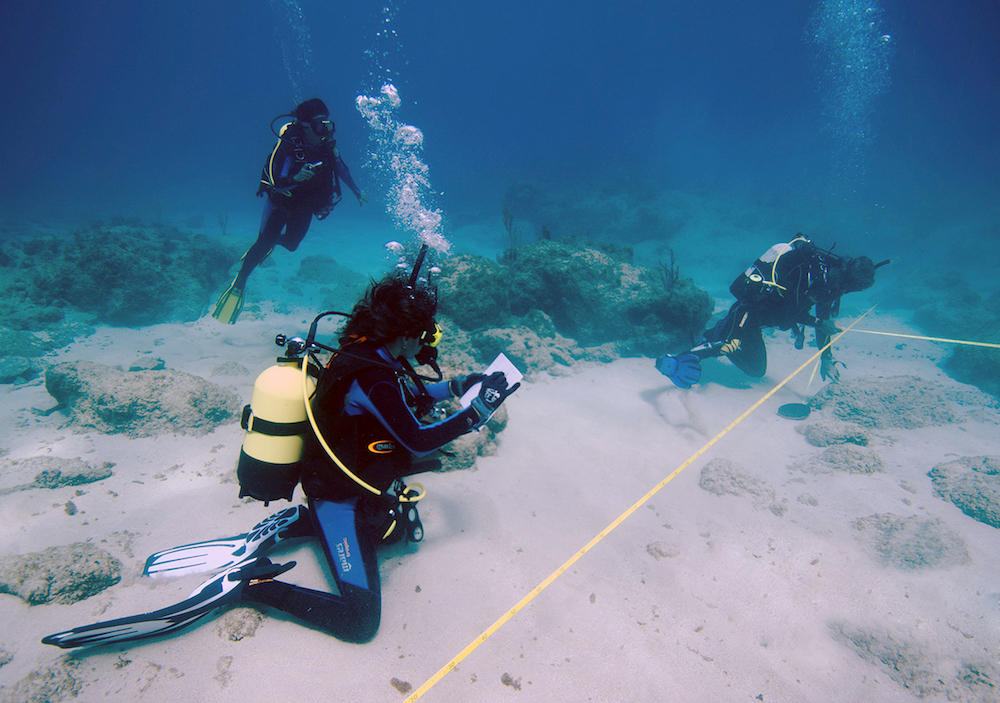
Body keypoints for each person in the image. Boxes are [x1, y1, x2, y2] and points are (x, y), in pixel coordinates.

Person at [43, 268, 519, 648]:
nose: (428, 342)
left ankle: (299, 524)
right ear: (408, 332)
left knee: (390, 538)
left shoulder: (369, 354)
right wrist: (477, 411)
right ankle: (254, 587)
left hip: (344, 483)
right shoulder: (373, 374)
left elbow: (404, 396)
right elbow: (415, 437)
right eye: (425, 332)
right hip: (338, 498)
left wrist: (455, 386)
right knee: (359, 622)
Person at [212, 97, 369, 324]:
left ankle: (270, 242)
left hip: (304, 205)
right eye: (318, 124)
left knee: (292, 245)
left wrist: (356, 191)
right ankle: (239, 282)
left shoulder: (327, 146)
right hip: (281, 202)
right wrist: (295, 178)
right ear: (305, 126)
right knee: (263, 241)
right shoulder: (290, 144)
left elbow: (341, 168)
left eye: (326, 123)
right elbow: (276, 180)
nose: (324, 129)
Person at [656, 235, 884, 389]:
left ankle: (717, 332)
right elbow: (791, 312)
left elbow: (822, 323)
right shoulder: (807, 273)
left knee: (756, 370)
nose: (848, 291)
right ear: (846, 274)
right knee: (729, 345)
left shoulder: (829, 286)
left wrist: (827, 358)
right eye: (853, 287)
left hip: (760, 321)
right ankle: (672, 361)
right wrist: (817, 322)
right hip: (748, 312)